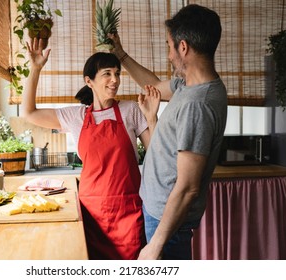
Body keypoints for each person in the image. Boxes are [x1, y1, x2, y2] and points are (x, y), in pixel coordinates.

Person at [20, 38, 159, 260]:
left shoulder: (130, 110)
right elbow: (29, 112)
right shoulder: (75, 116)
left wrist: (152, 118)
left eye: (117, 74)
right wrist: (35, 69)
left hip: (128, 211)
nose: (115, 80)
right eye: (107, 74)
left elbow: (157, 153)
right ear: (89, 81)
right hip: (91, 214)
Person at [108, 4, 228, 260]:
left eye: (169, 46)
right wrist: (121, 55)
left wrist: (156, 245)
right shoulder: (190, 85)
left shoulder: (198, 104)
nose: (169, 55)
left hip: (167, 222)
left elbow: (188, 187)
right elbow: (152, 87)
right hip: (158, 211)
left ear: (183, 47)